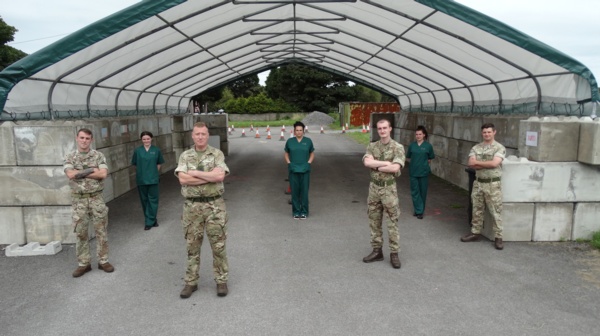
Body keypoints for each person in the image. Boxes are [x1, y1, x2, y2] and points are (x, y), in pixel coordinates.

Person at [175, 122, 230, 299]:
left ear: (208, 136)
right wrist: (209, 177)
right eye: (197, 134)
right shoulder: (185, 155)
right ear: (192, 136)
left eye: (203, 134)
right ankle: (191, 282)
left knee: (218, 246)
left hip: (215, 207)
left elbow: (220, 176)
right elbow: (183, 180)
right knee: (192, 246)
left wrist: (195, 173)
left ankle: (221, 280)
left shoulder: (216, 154)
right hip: (192, 207)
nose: (200, 137)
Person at [63, 128, 114, 277]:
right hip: (79, 200)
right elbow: (71, 175)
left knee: (101, 231)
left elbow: (103, 174)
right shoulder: (70, 156)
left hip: (96, 198)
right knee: (81, 232)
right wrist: (92, 170)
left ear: (91, 140)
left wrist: (80, 172)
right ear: (77, 138)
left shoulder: (98, 155)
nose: (84, 141)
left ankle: (103, 260)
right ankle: (83, 263)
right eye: (82, 138)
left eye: (87, 138)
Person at [362, 119, 405, 269]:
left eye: (385, 128)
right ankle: (377, 250)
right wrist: (386, 163)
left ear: (390, 129)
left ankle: (394, 253)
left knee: (392, 222)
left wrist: (378, 166)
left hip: (389, 190)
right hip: (374, 189)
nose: (382, 131)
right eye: (379, 128)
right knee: (374, 220)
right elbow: (367, 163)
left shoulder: (397, 147)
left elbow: (396, 168)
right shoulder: (372, 146)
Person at [460, 123, 506, 250]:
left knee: (495, 211)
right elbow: (470, 163)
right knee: (477, 209)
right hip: (479, 183)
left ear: (494, 132)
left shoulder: (499, 148)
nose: (486, 134)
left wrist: (478, 163)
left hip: (493, 183)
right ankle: (475, 233)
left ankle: (498, 237)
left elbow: (495, 164)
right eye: (484, 132)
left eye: (489, 132)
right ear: (482, 133)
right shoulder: (476, 147)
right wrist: (487, 163)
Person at [131, 131, 165, 231]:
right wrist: (143, 172)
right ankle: (152, 220)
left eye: (148, 138)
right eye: (144, 139)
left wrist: (153, 172)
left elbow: (159, 163)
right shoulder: (138, 151)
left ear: (151, 139)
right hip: (141, 179)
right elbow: (135, 164)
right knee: (144, 200)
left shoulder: (156, 150)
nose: (146, 140)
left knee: (153, 200)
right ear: (141, 140)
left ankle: (149, 222)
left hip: (153, 179)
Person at [284, 121, 315, 219]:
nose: (298, 132)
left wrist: (309, 162)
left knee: (304, 192)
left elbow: (312, 153)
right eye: (297, 130)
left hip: (305, 169)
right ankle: (296, 212)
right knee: (295, 192)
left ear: (303, 131)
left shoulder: (308, 141)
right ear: (294, 131)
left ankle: (304, 212)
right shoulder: (290, 141)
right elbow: (286, 153)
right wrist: (289, 163)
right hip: (293, 169)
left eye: (300, 130)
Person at [406, 125, 435, 219]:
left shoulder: (428, 146)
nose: (418, 136)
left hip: (424, 172)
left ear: (424, 135)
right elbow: (409, 156)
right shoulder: (412, 146)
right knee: (415, 191)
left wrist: (423, 164)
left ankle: (419, 210)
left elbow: (430, 158)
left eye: (420, 134)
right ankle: (419, 210)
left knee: (423, 191)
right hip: (413, 172)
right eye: (416, 134)